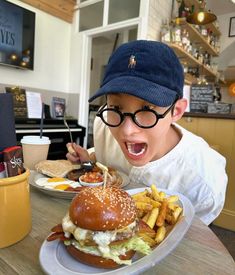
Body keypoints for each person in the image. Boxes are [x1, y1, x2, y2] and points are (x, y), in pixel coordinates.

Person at [67, 40, 227, 226]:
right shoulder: (105, 124)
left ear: (176, 111)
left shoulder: (202, 182)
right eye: (116, 107)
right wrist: (88, 160)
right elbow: (104, 155)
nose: (127, 131)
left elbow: (190, 242)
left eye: (147, 108)